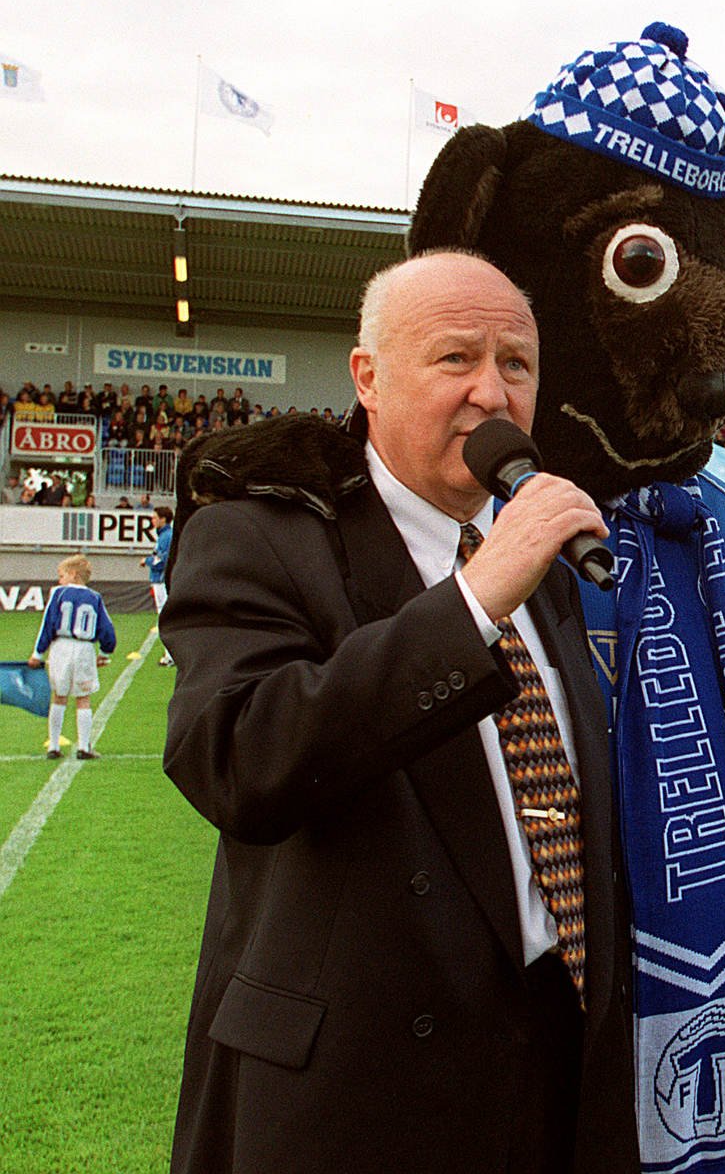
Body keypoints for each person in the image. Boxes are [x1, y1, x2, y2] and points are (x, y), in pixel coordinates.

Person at [161, 251, 630, 1174]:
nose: (492, 393)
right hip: (359, 1088)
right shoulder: (260, 534)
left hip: (555, 1057)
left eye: (517, 365)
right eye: (456, 358)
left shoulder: (539, 555)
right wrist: (472, 600)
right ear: (367, 378)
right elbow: (237, 760)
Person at [28, 553, 117, 760]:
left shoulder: (58, 594)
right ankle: (84, 746)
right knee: (83, 698)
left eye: (61, 575)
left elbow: (48, 625)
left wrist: (38, 654)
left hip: (61, 647)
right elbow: (107, 629)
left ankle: (53, 745)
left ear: (73, 574)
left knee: (59, 696)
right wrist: (104, 653)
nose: (59, 580)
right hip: (85, 649)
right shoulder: (95, 597)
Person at [143, 505, 175, 666]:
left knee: (164, 616)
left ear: (163, 519)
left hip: (161, 580)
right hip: (159, 579)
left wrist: (147, 561)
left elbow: (162, 560)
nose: (152, 520)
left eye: (155, 517)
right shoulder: (163, 535)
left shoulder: (166, 536)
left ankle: (170, 655)